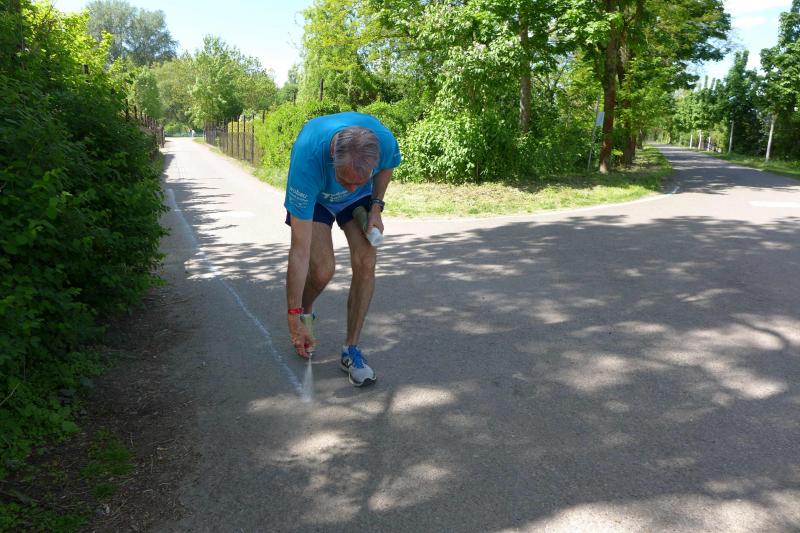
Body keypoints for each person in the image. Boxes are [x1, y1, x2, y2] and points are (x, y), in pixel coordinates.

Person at [284, 112, 401, 387]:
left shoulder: (384, 142)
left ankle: (351, 350)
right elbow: (299, 252)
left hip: (360, 200)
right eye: (345, 179)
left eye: (358, 180)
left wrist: (376, 207)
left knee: (366, 262)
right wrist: (292, 315)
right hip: (318, 198)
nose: (349, 187)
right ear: (332, 156)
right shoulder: (307, 160)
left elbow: (388, 167)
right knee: (322, 270)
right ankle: (305, 312)